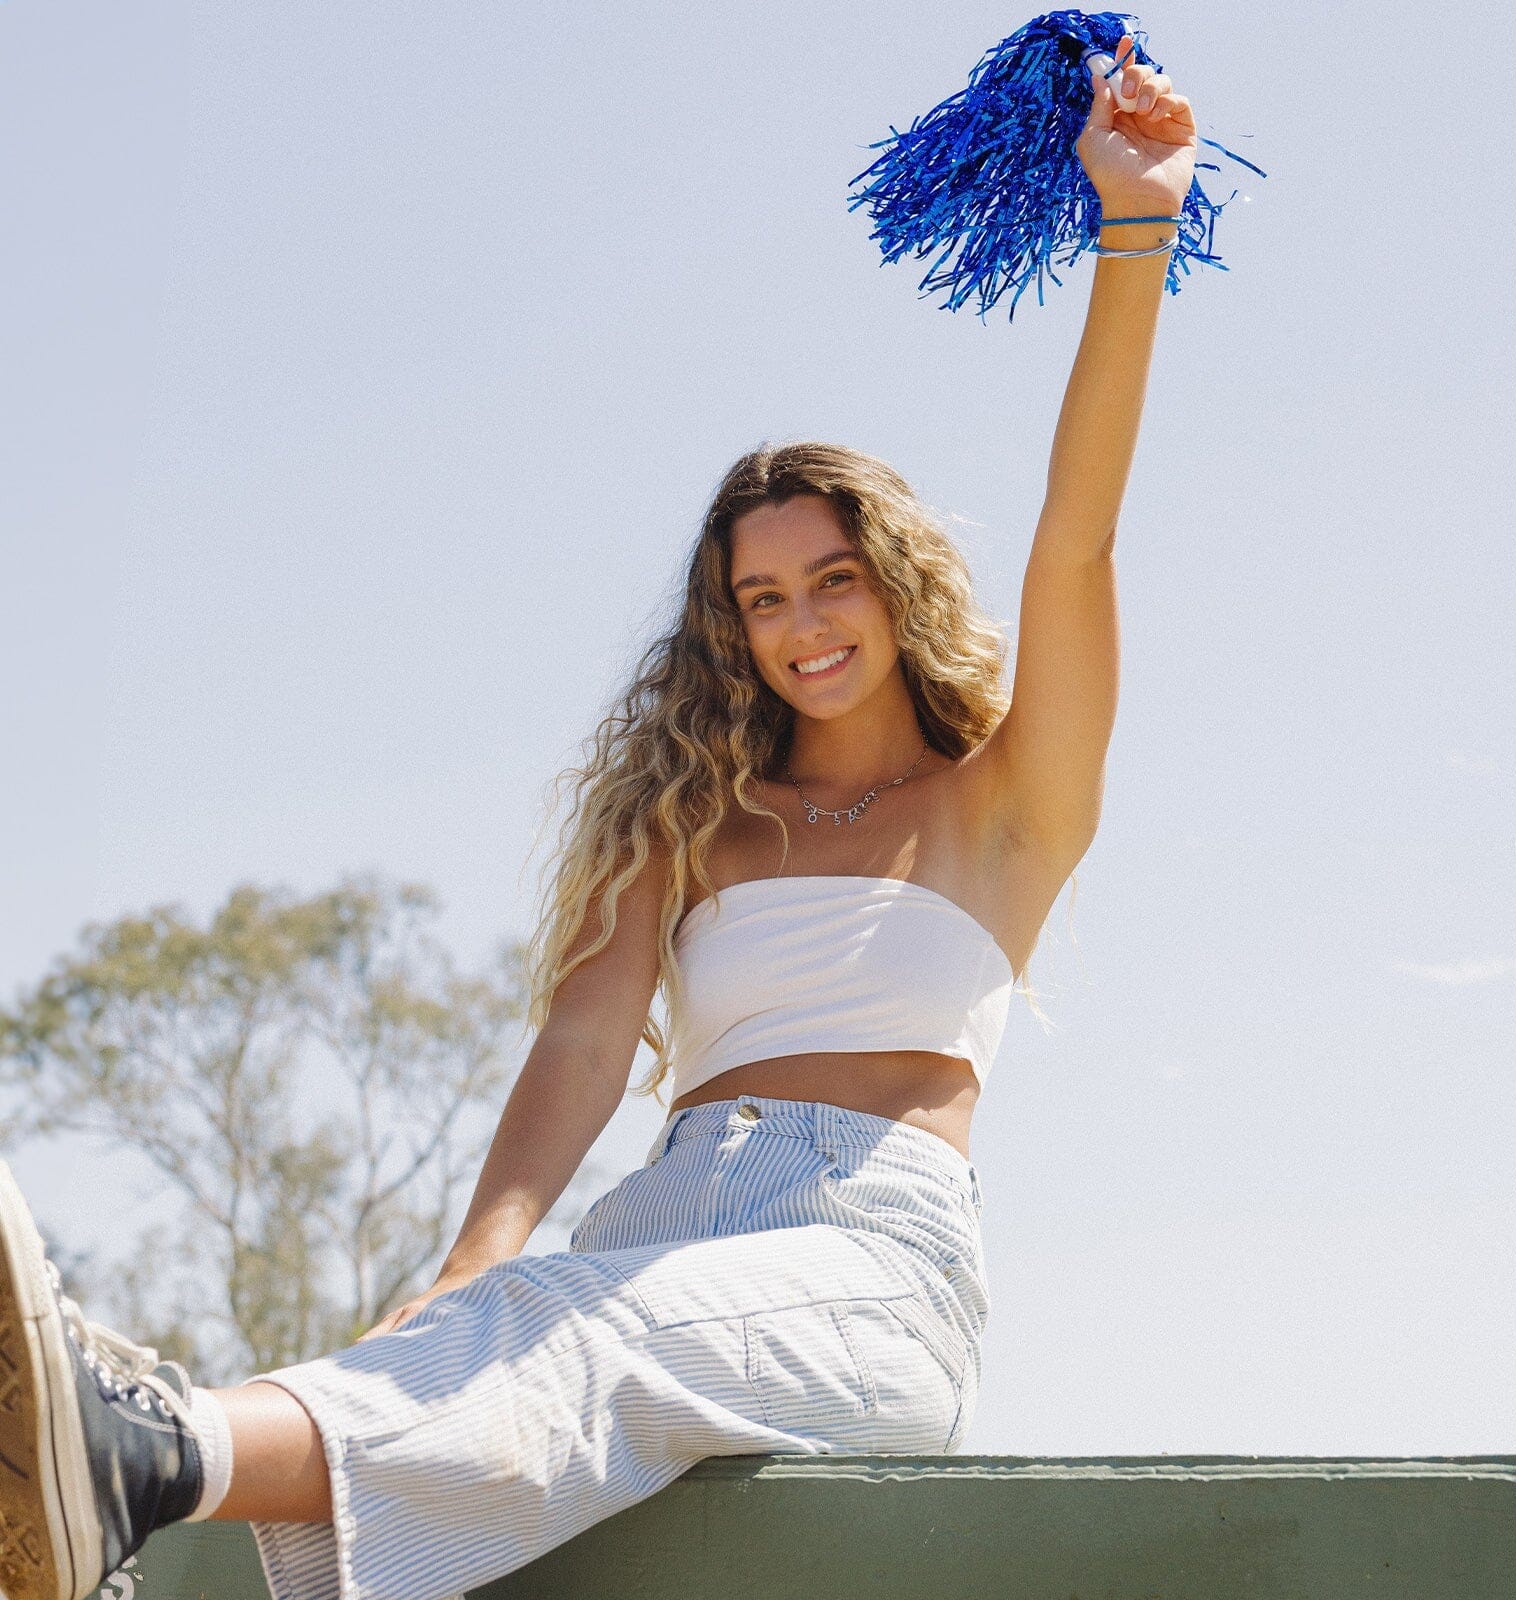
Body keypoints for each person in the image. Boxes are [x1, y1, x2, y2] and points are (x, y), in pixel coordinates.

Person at [0, 40, 1197, 1600]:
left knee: (585, 1336)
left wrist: (1137, 232)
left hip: (874, 1263)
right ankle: (101, 1492)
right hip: (662, 1216)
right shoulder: (695, 823)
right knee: (522, 1336)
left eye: (833, 580)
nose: (802, 626)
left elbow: (1079, 541)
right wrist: (470, 1264)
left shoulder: (1005, 808)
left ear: (895, 589)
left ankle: (141, 1455)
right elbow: (578, 1050)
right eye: (763, 599)